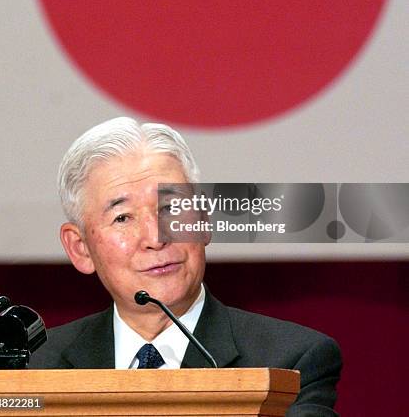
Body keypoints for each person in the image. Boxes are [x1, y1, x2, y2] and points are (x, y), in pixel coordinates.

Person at [30, 117, 342, 415]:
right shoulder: (34, 368)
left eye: (170, 207)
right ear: (80, 248)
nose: (155, 237)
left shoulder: (289, 361)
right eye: (122, 217)